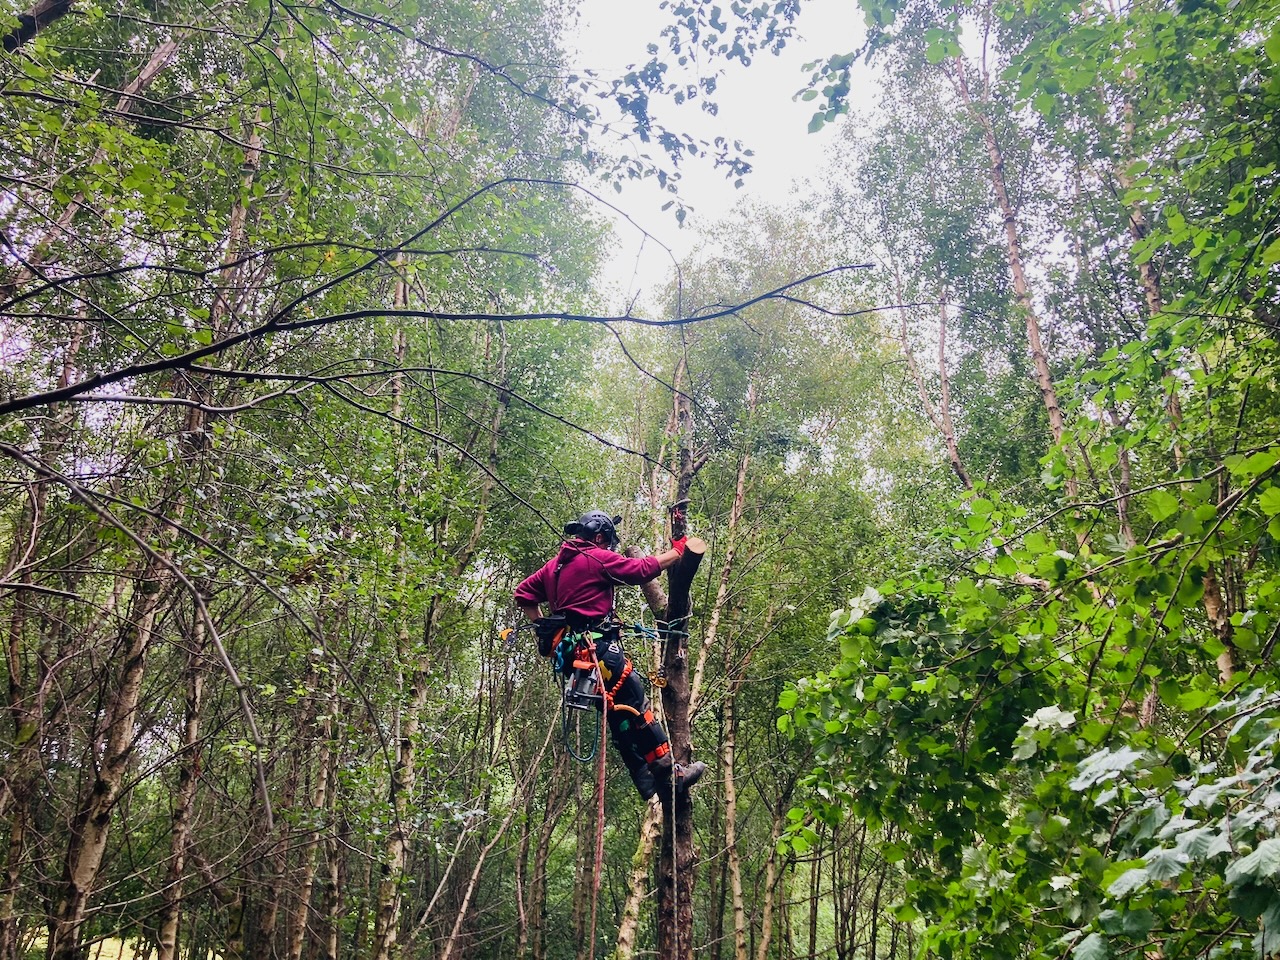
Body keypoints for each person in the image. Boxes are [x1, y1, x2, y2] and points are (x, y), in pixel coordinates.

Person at [515, 509, 706, 802]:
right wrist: (677, 552)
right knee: (636, 704)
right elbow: (641, 570)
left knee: (618, 715)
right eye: (608, 543)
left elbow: (524, 593)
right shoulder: (595, 557)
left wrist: (544, 629)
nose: (609, 549)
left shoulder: (554, 566)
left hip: (576, 659)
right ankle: (671, 773)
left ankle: (646, 780)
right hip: (599, 650)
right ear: (600, 536)